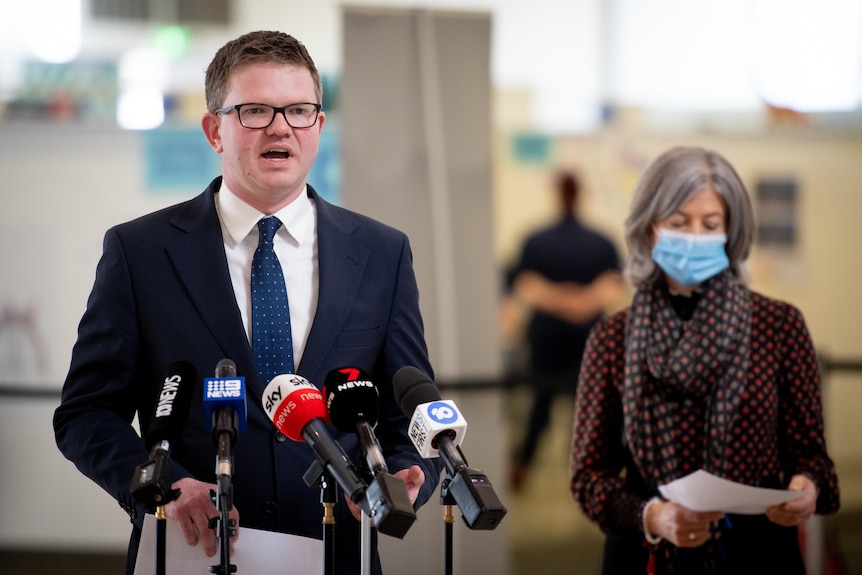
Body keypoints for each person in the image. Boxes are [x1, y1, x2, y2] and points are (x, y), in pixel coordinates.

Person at [53, 30, 441, 575]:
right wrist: (162, 485)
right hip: (195, 554)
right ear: (215, 129)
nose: (281, 126)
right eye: (256, 110)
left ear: (319, 126)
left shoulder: (381, 252)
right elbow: (85, 413)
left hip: (334, 551)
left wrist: (399, 480)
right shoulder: (139, 252)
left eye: (300, 110)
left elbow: (406, 414)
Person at [569, 146, 840, 574]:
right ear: (650, 229)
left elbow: (812, 457)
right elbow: (588, 476)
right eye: (679, 223)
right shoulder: (612, 338)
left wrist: (806, 488)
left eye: (710, 224)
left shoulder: (779, 325)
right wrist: (653, 516)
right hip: (648, 553)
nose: (695, 236)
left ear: (731, 232)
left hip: (758, 551)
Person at [505, 171, 622, 491]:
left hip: (551, 336)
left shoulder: (537, 239)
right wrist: (581, 302)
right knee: (586, 409)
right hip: (583, 336)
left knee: (547, 407)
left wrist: (558, 300)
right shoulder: (600, 241)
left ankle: (525, 467)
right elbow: (613, 284)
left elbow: (524, 283)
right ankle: (592, 473)